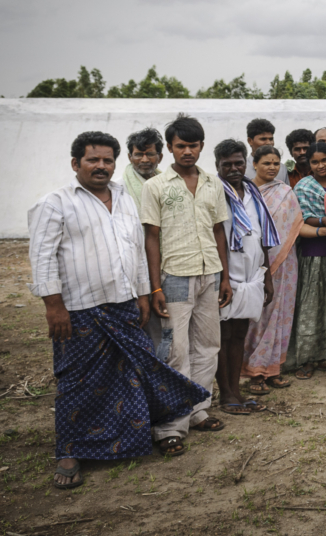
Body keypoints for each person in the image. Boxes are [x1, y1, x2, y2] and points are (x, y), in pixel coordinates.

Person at [29, 131, 209, 488]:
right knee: (76, 383)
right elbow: (42, 258)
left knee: (128, 377)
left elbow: (138, 251)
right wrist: (54, 307)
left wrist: (143, 295)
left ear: (116, 163)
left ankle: (127, 440)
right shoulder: (54, 203)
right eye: (93, 160)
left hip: (125, 306)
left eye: (107, 160)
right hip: (79, 310)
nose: (101, 166)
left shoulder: (127, 197)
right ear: (75, 163)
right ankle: (70, 450)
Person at [141, 114, 231, 455]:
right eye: (181, 146)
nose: (188, 151)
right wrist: (155, 288)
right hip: (174, 276)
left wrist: (224, 276)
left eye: (193, 145)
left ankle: (197, 410)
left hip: (209, 275)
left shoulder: (212, 183)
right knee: (174, 351)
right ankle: (169, 427)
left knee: (208, 346)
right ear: (170, 148)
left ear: (202, 146)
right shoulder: (156, 187)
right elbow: (151, 237)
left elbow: (218, 229)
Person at [244, 145, 316, 395]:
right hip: (256, 264)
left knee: (282, 312)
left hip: (287, 262)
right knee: (259, 316)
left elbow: (297, 227)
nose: (272, 167)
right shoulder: (245, 192)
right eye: (266, 163)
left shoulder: (286, 192)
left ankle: (272, 369)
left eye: (276, 163)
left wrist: (324, 231)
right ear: (254, 164)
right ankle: (254, 370)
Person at [214, 140, 278, 415]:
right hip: (226, 276)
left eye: (238, 163)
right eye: (226, 164)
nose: (233, 168)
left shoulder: (253, 191)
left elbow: (262, 235)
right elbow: (214, 236)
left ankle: (236, 391)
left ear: (246, 162)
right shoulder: (215, 192)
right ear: (217, 165)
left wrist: (267, 278)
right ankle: (225, 394)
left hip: (252, 273)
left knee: (240, 333)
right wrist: (223, 279)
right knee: (223, 335)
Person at [288, 142, 326, 378]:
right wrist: (324, 221)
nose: (321, 166)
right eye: (315, 162)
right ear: (309, 164)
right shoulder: (303, 186)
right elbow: (302, 216)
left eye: (325, 160)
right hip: (313, 252)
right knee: (311, 306)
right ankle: (307, 358)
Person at [122, 127, 163, 215]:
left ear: (160, 158)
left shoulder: (167, 184)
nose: (144, 160)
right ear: (130, 158)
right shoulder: (119, 188)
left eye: (150, 154)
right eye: (139, 155)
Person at [244, 118, 288, 183]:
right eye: (263, 139)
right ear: (250, 141)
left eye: (271, 139)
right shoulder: (243, 169)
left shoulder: (282, 168)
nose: (268, 143)